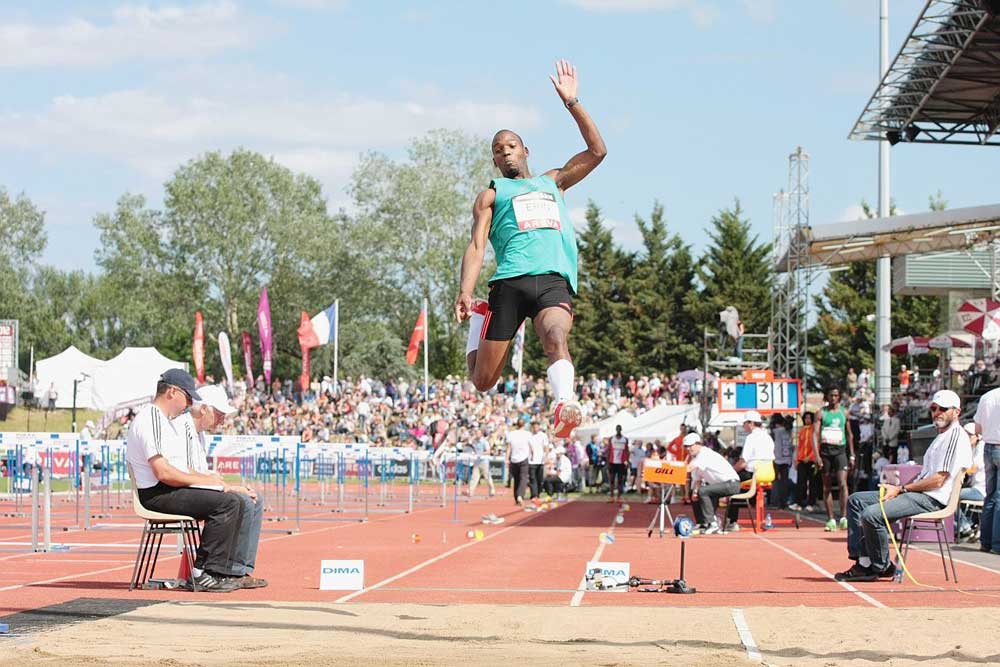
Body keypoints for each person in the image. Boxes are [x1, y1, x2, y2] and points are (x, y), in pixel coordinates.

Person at [454, 59, 607, 439]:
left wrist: (572, 102)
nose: (505, 152)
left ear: (525, 150)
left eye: (511, 146)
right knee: (483, 380)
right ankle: (478, 321)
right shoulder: (492, 195)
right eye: (498, 150)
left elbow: (597, 151)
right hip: (509, 284)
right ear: (494, 160)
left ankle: (564, 404)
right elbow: (476, 246)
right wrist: (465, 292)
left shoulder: (553, 182)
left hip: (552, 279)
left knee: (555, 337)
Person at [125, 369, 244, 592]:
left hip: (166, 488)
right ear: (172, 392)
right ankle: (202, 572)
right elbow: (163, 473)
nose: (190, 404)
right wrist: (204, 483)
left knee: (231, 499)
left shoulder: (165, 421)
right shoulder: (151, 419)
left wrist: (208, 481)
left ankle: (216, 571)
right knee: (227, 503)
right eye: (188, 397)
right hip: (156, 493)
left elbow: (179, 468)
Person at [835, 390, 972, 582]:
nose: (937, 413)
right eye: (934, 408)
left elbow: (938, 480)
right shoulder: (941, 436)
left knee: (871, 515)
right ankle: (865, 562)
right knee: (856, 501)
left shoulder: (954, 436)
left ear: (956, 412)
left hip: (932, 499)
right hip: (919, 494)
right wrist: (898, 488)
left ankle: (880, 566)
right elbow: (926, 475)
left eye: (943, 409)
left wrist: (901, 489)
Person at [181, 385, 267, 589]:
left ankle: (239, 570)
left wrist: (226, 485)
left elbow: (204, 475)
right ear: (204, 409)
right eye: (219, 414)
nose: (222, 420)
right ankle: (217, 570)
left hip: (198, 486)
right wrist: (227, 487)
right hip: (184, 489)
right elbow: (187, 473)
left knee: (254, 499)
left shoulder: (200, 435)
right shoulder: (181, 430)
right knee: (239, 501)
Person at [725, 410, 775, 531]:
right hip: (769, 473)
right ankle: (751, 501)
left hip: (753, 474)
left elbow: (743, 462)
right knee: (742, 485)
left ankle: (732, 521)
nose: (743, 426)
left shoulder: (751, 438)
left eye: (744, 423)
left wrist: (730, 471)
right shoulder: (768, 437)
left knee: (732, 484)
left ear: (751, 423)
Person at [684, 432, 740, 535]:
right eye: (686, 446)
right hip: (719, 486)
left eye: (690, 446)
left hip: (732, 484)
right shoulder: (695, 458)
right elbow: (697, 480)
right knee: (696, 492)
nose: (688, 449)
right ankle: (702, 523)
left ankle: (712, 523)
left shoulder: (704, 453)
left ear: (698, 444)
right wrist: (694, 493)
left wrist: (672, 470)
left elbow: (689, 468)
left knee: (703, 491)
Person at [815, 388, 854, 532]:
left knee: (843, 483)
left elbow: (850, 435)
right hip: (825, 452)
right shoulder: (821, 413)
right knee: (827, 486)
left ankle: (844, 518)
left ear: (839, 397)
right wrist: (816, 455)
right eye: (831, 395)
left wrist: (852, 455)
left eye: (836, 395)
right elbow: (815, 434)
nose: (833, 398)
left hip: (840, 451)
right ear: (827, 397)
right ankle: (831, 519)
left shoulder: (844, 412)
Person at [973, 385, 1000, 555]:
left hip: (988, 446)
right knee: (998, 497)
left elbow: (977, 429)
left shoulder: (987, 396)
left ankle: (986, 542)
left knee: (990, 496)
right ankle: (997, 544)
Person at [957, 422, 985, 540]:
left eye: (969, 435)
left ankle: (965, 527)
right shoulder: (972, 448)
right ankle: (967, 525)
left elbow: (972, 469)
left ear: (977, 436)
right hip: (974, 487)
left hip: (980, 490)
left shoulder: (981, 447)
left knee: (950, 496)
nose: (966, 438)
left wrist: (958, 473)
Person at [789, 411, 819, 512]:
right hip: (802, 460)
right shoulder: (802, 431)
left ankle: (811, 503)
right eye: (806, 418)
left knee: (813, 483)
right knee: (800, 482)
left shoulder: (815, 430)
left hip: (812, 460)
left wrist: (810, 457)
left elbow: (817, 446)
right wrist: (797, 459)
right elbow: (800, 446)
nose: (807, 420)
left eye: (809, 418)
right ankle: (799, 502)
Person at [506, 418, 531, 506]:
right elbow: (531, 446)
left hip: (514, 459)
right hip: (524, 458)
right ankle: (520, 495)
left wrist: (507, 459)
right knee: (523, 478)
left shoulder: (511, 434)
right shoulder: (528, 434)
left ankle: (516, 498)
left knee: (516, 479)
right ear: (524, 425)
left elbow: (509, 448)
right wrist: (532, 455)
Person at [467, 428, 496, 499]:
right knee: (474, 477)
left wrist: (481, 454)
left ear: (481, 434)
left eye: (478, 433)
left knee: (487, 477)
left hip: (484, 461)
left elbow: (488, 451)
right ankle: (471, 491)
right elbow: (470, 444)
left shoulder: (484, 442)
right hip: (477, 462)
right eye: (476, 433)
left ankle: (492, 490)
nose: (476, 434)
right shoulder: (475, 441)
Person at [607, 424, 629, 503]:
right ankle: (612, 497)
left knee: (620, 480)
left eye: (620, 429)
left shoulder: (625, 439)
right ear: (616, 429)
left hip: (621, 462)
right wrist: (608, 462)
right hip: (612, 462)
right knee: (612, 480)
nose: (618, 430)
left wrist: (627, 461)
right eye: (617, 429)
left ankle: (619, 496)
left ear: (621, 429)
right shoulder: (611, 439)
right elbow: (609, 450)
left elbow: (627, 451)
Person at [528, 421, 548, 499]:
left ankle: (538, 493)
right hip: (531, 461)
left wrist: (545, 457)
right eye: (534, 427)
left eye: (536, 427)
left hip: (540, 460)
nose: (535, 428)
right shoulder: (529, 435)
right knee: (532, 478)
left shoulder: (543, 436)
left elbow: (546, 447)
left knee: (539, 479)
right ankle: (534, 494)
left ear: (539, 427)